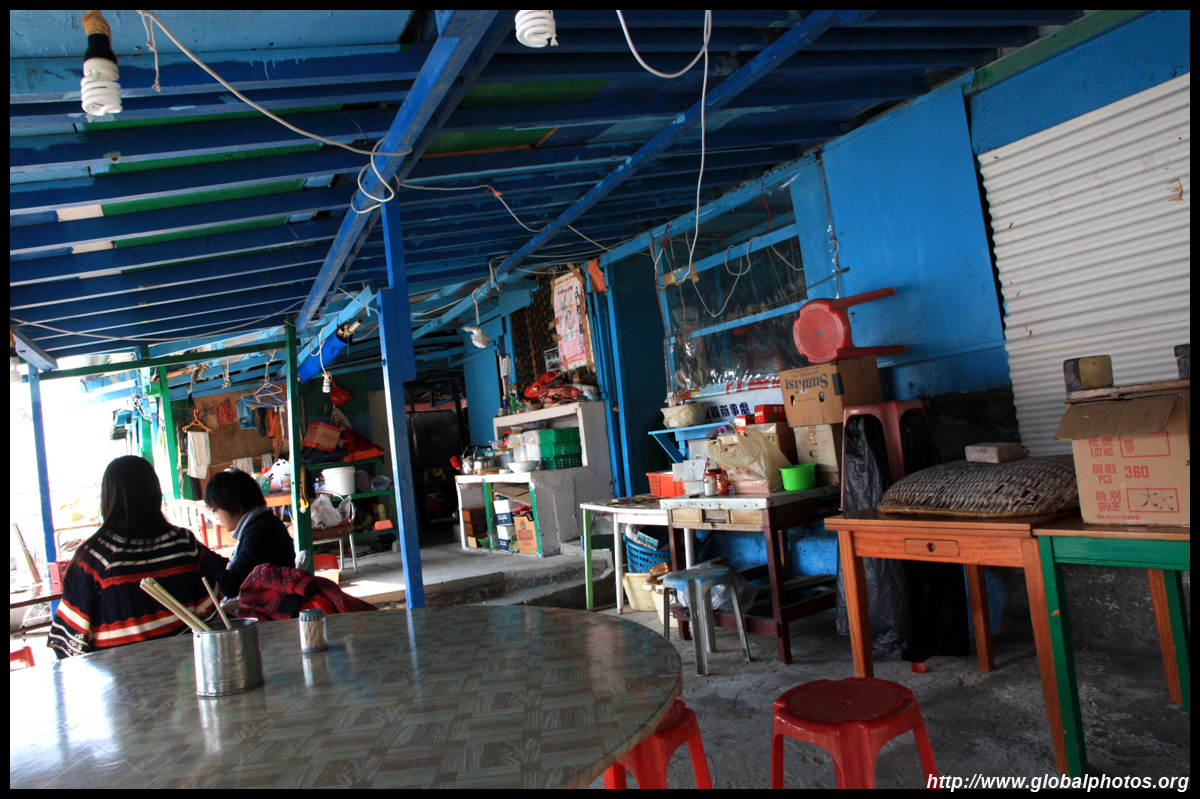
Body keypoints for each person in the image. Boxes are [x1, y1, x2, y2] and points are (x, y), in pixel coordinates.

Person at [48, 456, 225, 659]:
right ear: (155, 492)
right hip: (187, 667)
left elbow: (69, 643)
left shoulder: (94, 558)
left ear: (108, 496)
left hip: (117, 675)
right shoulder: (184, 543)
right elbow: (209, 615)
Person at [203, 468, 295, 599]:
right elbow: (237, 569)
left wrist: (202, 559)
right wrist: (203, 552)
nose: (216, 517)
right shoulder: (261, 524)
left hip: (267, 607)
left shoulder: (260, 532)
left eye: (215, 510)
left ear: (234, 504)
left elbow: (231, 586)